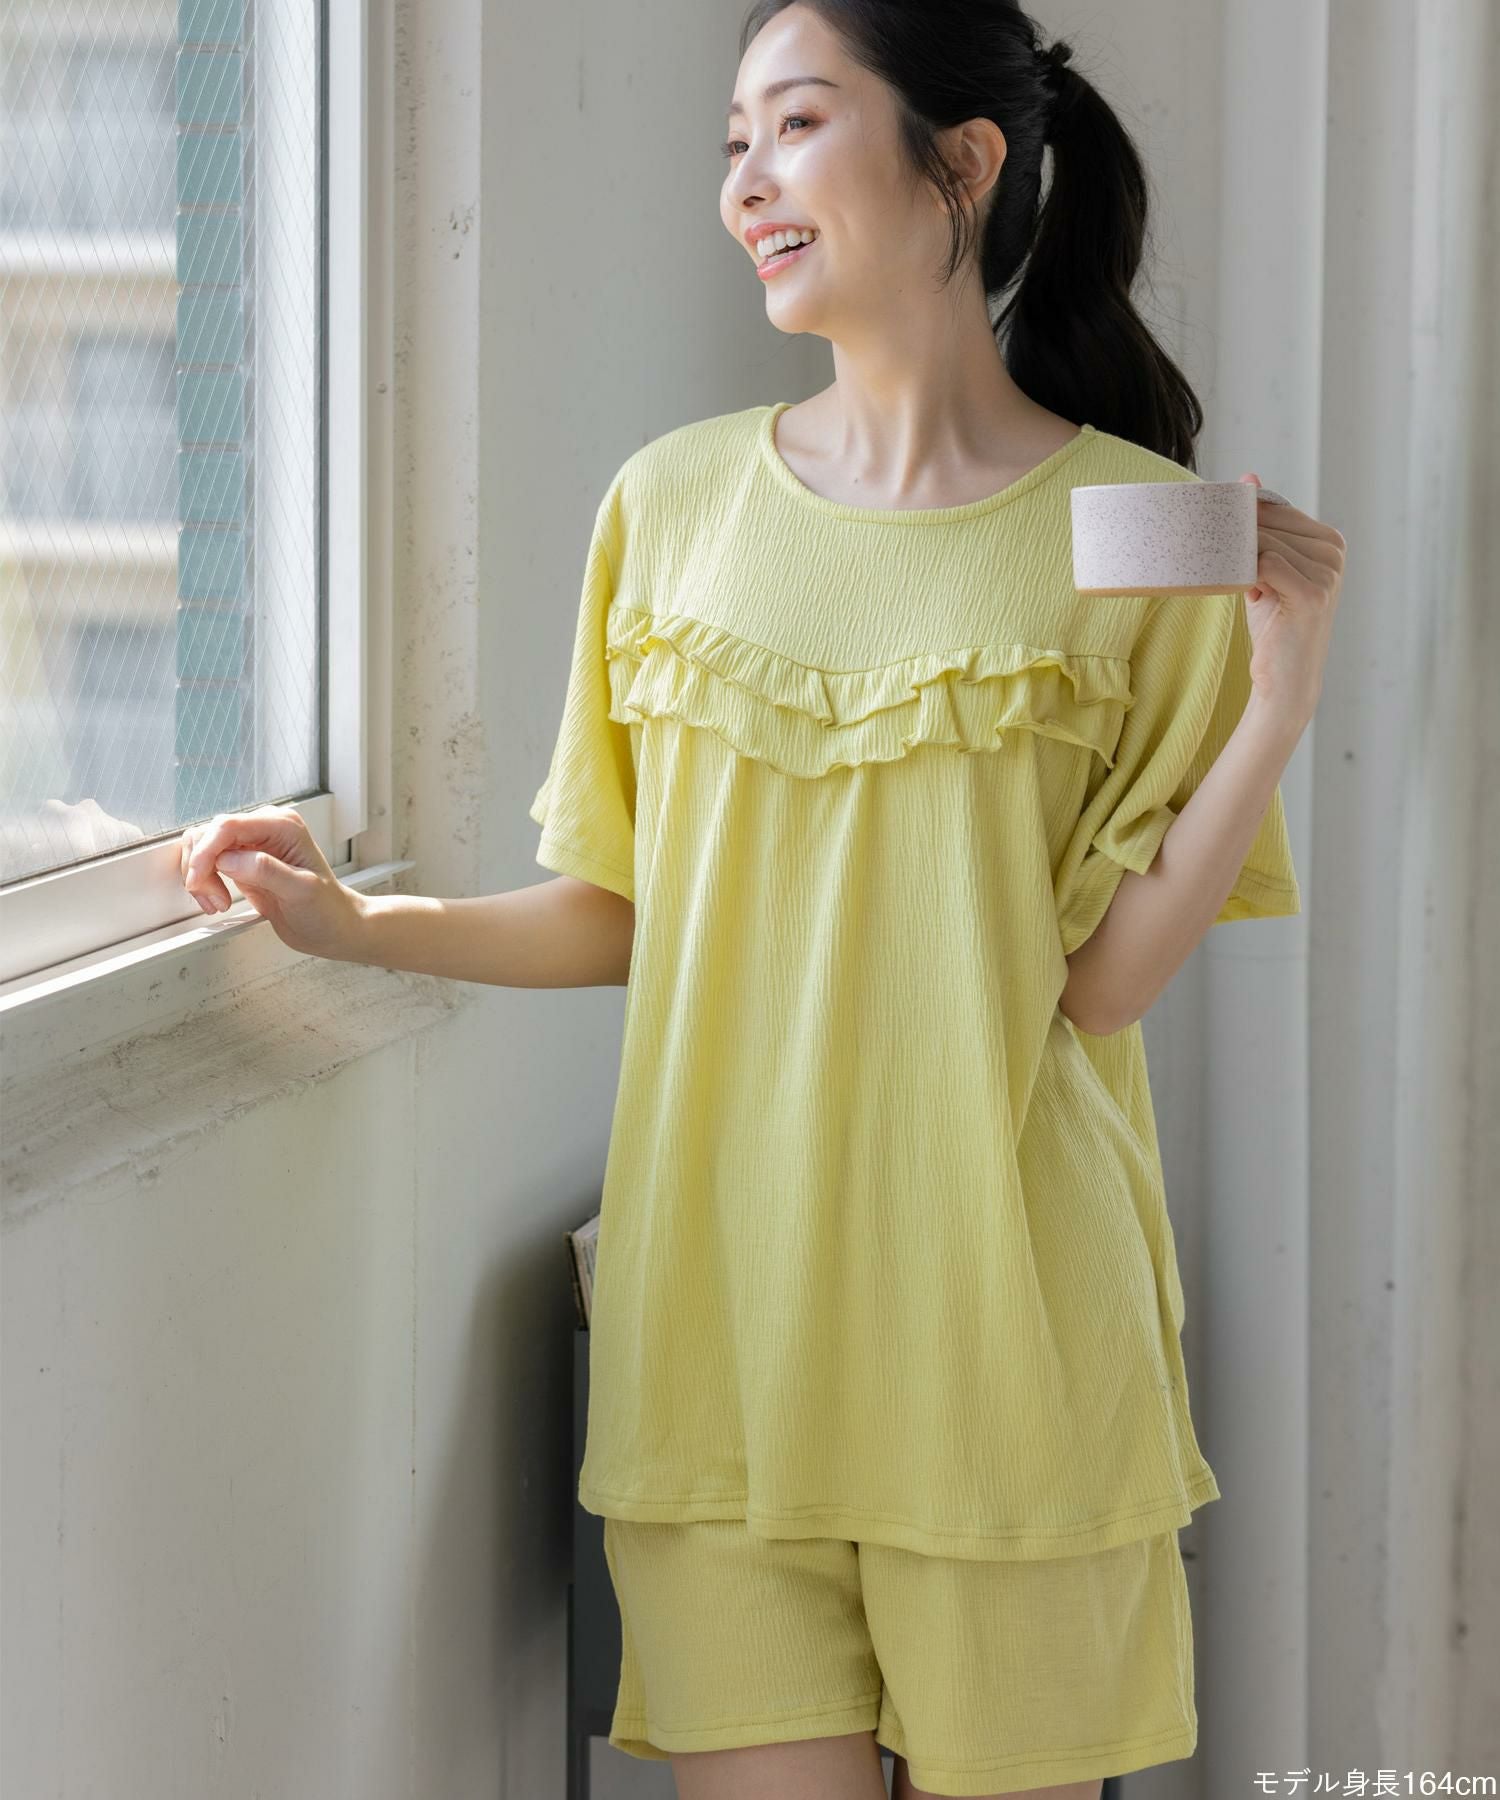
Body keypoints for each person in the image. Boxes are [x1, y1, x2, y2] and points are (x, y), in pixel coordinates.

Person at [180, 3, 1346, 1795]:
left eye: (795, 126)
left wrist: (1277, 707)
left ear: (963, 162)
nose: (744, 185)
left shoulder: (1132, 528)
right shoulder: (671, 507)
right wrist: (357, 925)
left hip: (1010, 1356)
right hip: (719, 1352)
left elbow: (1103, 987)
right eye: (733, 142)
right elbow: (622, 907)